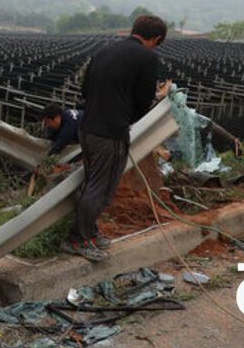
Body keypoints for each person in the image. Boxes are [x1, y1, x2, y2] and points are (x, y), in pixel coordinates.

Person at [63, 15, 170, 262]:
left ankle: (89, 232)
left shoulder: (104, 50)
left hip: (87, 127)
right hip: (110, 133)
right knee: (101, 188)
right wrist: (124, 118)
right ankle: (78, 239)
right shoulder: (147, 58)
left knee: (92, 182)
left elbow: (85, 90)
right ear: (156, 39)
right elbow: (143, 101)